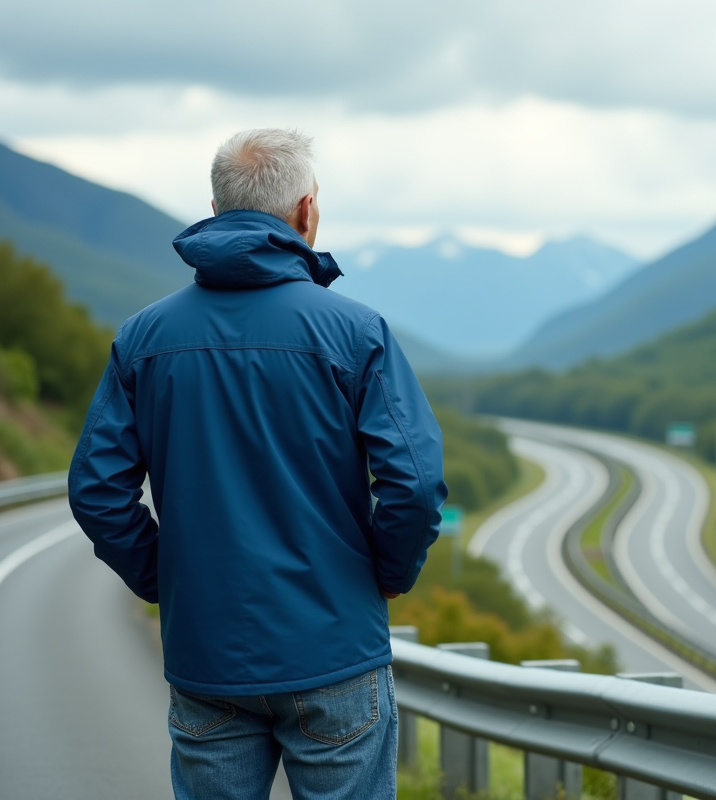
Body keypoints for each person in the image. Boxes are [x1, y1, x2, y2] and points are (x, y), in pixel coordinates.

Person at [68, 128, 447, 800]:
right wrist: (387, 574)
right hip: (335, 648)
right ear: (306, 210)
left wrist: (169, 580)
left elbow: (96, 492)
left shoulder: (143, 338)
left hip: (207, 655)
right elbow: (413, 486)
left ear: (216, 211)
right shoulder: (356, 332)